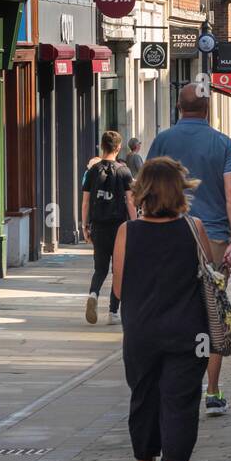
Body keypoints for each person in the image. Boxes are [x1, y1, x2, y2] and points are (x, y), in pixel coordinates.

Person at [112, 157, 212, 461]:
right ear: (178, 190)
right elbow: (210, 276)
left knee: (144, 401)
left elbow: (120, 289)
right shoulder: (193, 227)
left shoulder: (128, 232)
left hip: (142, 332)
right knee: (181, 405)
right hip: (190, 334)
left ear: (143, 192)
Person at [147, 84, 231, 417]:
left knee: (170, 310)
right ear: (207, 108)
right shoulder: (221, 142)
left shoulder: (162, 141)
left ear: (177, 106)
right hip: (214, 238)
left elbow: (147, 188)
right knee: (211, 313)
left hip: (167, 236)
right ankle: (212, 392)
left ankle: (172, 385)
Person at [81, 130, 137, 326]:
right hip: (119, 227)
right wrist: (135, 223)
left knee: (100, 268)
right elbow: (130, 201)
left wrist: (84, 226)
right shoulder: (124, 171)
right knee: (118, 270)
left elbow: (86, 202)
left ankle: (94, 295)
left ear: (102, 146)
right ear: (119, 147)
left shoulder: (92, 171)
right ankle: (113, 312)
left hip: (98, 225)